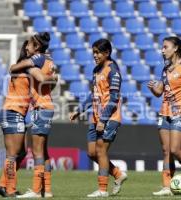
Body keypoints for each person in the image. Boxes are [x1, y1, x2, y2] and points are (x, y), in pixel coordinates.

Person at [0, 38, 57, 198]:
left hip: (20, 113)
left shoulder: (27, 64)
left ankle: (2, 184)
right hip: (11, 111)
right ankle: (10, 189)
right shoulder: (28, 66)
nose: (29, 47)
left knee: (21, 152)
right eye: (28, 45)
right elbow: (42, 79)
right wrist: (54, 78)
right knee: (13, 153)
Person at [70, 39, 127, 198]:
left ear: (107, 53)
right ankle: (117, 173)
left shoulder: (113, 71)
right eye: (93, 52)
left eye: (98, 52)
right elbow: (93, 94)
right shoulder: (96, 70)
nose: (94, 55)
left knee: (101, 151)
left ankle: (102, 190)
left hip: (109, 118)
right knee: (91, 153)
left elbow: (114, 98)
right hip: (95, 118)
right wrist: (79, 110)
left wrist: (103, 119)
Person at [148, 36, 181, 196]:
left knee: (175, 149)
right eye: (162, 47)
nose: (162, 50)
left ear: (175, 48)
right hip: (164, 113)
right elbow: (160, 92)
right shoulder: (165, 69)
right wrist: (153, 89)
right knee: (166, 151)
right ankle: (166, 187)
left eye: (165, 47)